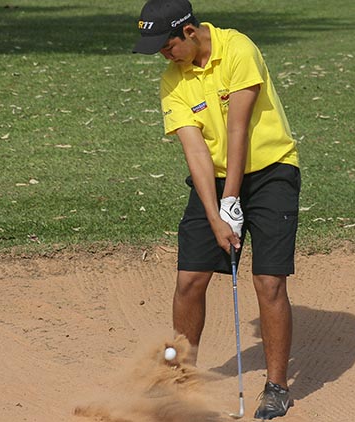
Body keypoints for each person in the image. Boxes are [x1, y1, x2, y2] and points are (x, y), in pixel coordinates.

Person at [133, 0, 300, 419]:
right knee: (189, 279)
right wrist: (216, 212)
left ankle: (276, 387)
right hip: (216, 178)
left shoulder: (238, 49)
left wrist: (233, 200)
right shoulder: (173, 80)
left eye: (166, 45)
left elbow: (237, 129)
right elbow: (196, 152)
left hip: (271, 171)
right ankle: (178, 378)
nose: (163, 54)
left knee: (268, 281)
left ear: (189, 32)